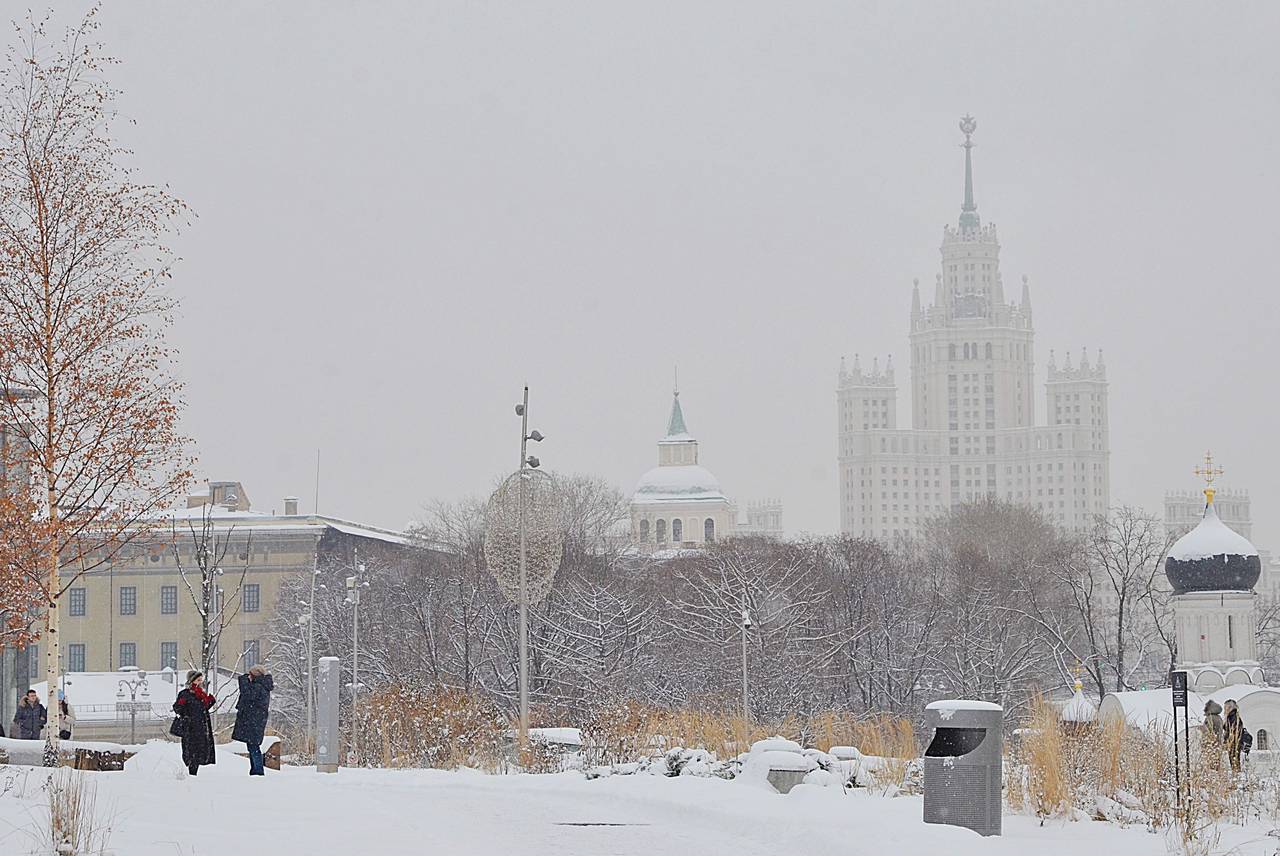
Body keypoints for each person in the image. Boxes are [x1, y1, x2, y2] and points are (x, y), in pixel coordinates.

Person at [232, 665, 274, 776]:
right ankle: (255, 770)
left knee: (254, 746)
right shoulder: (263, 686)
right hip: (256, 720)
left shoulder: (258, 687)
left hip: (254, 720)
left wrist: (243, 681)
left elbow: (246, 694)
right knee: (252, 746)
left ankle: (258, 771)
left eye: (250, 674)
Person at [173, 670, 217, 776]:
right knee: (190, 751)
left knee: (198, 751)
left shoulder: (201, 694)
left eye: (201, 680)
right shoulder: (185, 694)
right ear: (192, 680)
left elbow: (202, 709)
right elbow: (178, 708)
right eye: (198, 680)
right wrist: (181, 706)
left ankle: (193, 773)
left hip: (201, 727)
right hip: (190, 727)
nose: (200, 682)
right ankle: (190, 772)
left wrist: (210, 701)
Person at [1224, 698, 1248, 774]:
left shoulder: (1233, 718)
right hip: (1234, 743)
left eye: (1226, 707)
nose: (1225, 709)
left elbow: (1232, 732)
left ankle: (1237, 776)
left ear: (1230, 708)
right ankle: (1237, 775)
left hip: (1234, 743)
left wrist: (1226, 740)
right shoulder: (1232, 717)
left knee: (1235, 761)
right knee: (1235, 761)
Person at [1202, 699, 1225, 770]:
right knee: (1216, 764)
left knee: (1211, 765)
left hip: (1211, 745)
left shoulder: (1210, 718)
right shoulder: (1219, 718)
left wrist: (1202, 729)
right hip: (1217, 744)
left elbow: (1208, 732)